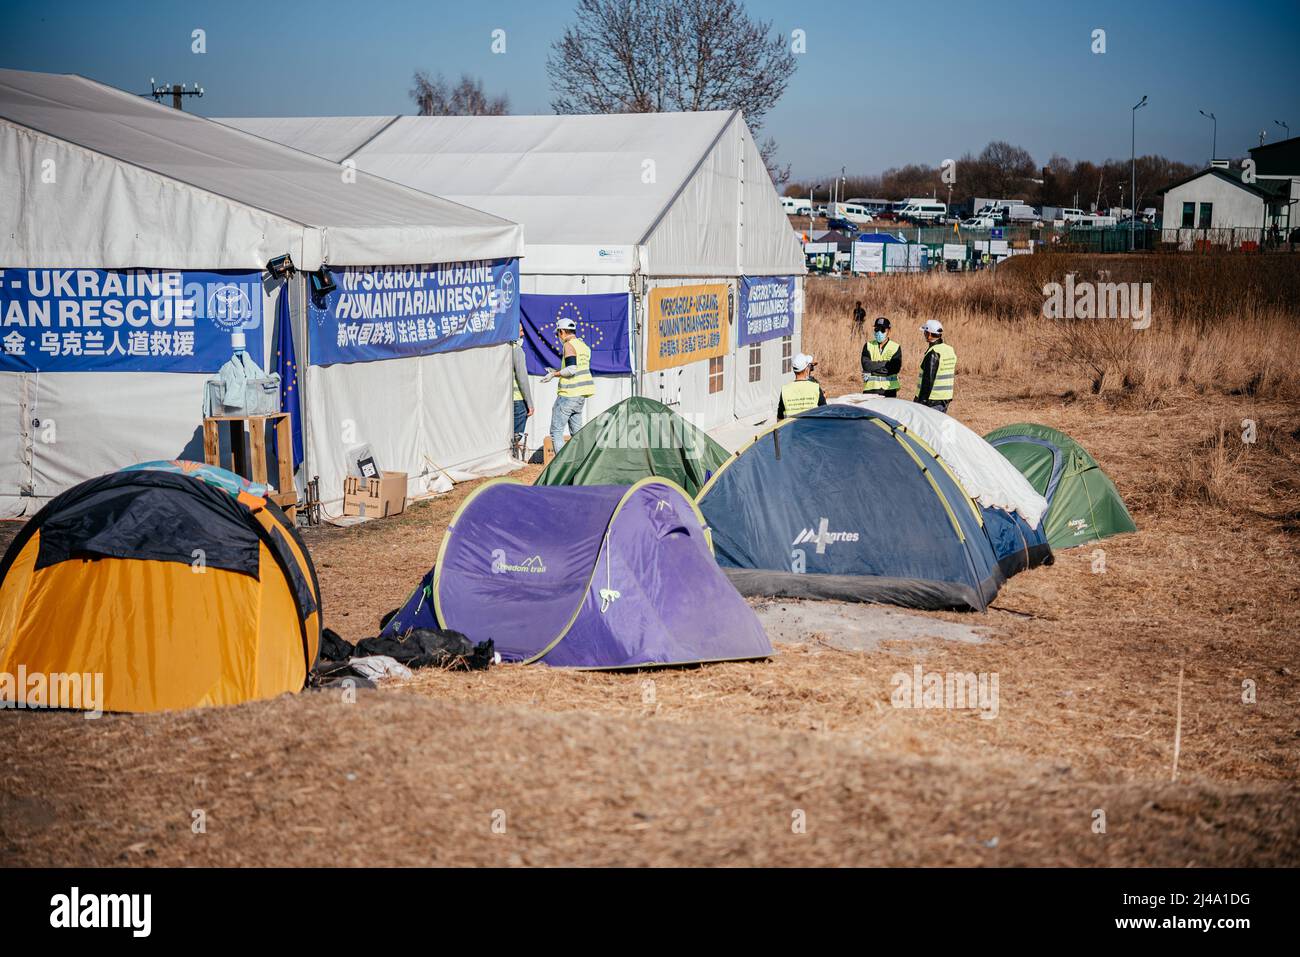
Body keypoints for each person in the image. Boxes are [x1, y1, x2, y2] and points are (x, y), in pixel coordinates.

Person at [545, 317, 595, 453]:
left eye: (557, 334)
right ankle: (581, 465)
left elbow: (571, 369)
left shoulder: (568, 345)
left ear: (562, 331)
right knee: (577, 435)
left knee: (556, 432)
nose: (558, 337)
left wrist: (553, 374)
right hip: (580, 397)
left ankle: (561, 468)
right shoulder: (583, 346)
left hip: (568, 395)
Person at [915, 319, 956, 413]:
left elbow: (928, 381)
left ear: (929, 334)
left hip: (931, 401)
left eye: (925, 332)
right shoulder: (950, 350)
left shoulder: (933, 353)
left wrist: (921, 403)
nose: (924, 334)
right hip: (945, 399)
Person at [777, 353, 826, 420]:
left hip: (791, 429)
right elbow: (825, 411)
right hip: (811, 429)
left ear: (794, 370)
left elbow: (779, 418)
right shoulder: (815, 387)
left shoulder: (785, 389)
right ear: (806, 369)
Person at [860, 317, 901, 397]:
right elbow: (867, 366)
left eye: (882, 330)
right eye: (876, 329)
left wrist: (874, 370)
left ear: (889, 331)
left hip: (889, 390)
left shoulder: (895, 347)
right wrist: (885, 363)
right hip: (870, 390)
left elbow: (894, 368)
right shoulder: (868, 345)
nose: (879, 332)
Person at [510, 337, 534, 460]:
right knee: (515, 436)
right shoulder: (516, 349)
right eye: (520, 331)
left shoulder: (499, 348)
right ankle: (513, 459)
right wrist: (529, 402)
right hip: (517, 399)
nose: (523, 334)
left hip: (503, 400)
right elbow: (522, 378)